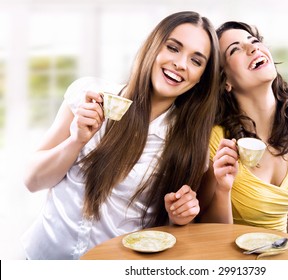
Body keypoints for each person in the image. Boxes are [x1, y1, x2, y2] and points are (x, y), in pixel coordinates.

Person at [22, 11, 221, 259]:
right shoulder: (89, 95)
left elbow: (168, 234)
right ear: (153, 46)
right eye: (173, 48)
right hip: (39, 259)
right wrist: (75, 141)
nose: (180, 63)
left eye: (196, 61)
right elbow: (32, 181)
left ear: (202, 77)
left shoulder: (190, 144)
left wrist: (178, 217)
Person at [198, 21, 288, 239]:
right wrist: (223, 190)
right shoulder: (215, 139)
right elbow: (207, 229)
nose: (253, 48)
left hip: (282, 255)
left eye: (254, 41)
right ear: (226, 81)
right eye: (235, 49)